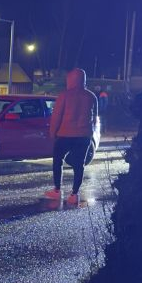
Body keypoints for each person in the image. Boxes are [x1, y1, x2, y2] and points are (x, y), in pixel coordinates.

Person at [46, 67, 98, 204]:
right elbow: (94, 118)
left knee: (58, 160)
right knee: (79, 164)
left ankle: (57, 190)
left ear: (70, 80)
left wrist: (53, 132)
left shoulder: (64, 95)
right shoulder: (91, 96)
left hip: (65, 133)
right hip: (84, 135)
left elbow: (57, 116)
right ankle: (74, 194)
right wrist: (91, 132)